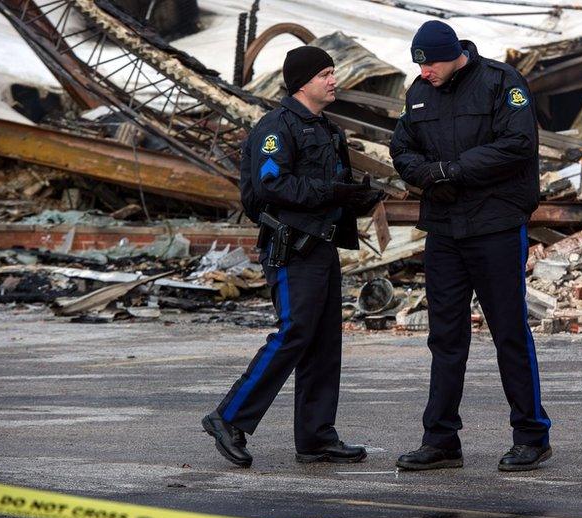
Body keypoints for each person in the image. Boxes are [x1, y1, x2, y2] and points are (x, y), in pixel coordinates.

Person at [203, 46, 382, 468]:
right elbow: (270, 186)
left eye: (333, 72)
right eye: (325, 73)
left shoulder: (327, 129)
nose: (334, 80)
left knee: (323, 340)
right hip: (291, 249)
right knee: (294, 332)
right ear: (302, 82)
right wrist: (332, 193)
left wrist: (356, 197)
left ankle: (317, 437)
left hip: (321, 246)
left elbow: (328, 187)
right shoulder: (277, 127)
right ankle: (228, 418)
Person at [390, 21, 552, 472]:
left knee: (509, 332)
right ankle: (440, 440)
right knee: (444, 337)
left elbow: (518, 145)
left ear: (453, 52)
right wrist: (425, 173)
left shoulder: (503, 83)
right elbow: (401, 149)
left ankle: (532, 435)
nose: (425, 73)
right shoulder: (418, 93)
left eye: (431, 63)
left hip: (496, 226)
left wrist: (453, 170)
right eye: (418, 65)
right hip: (444, 231)